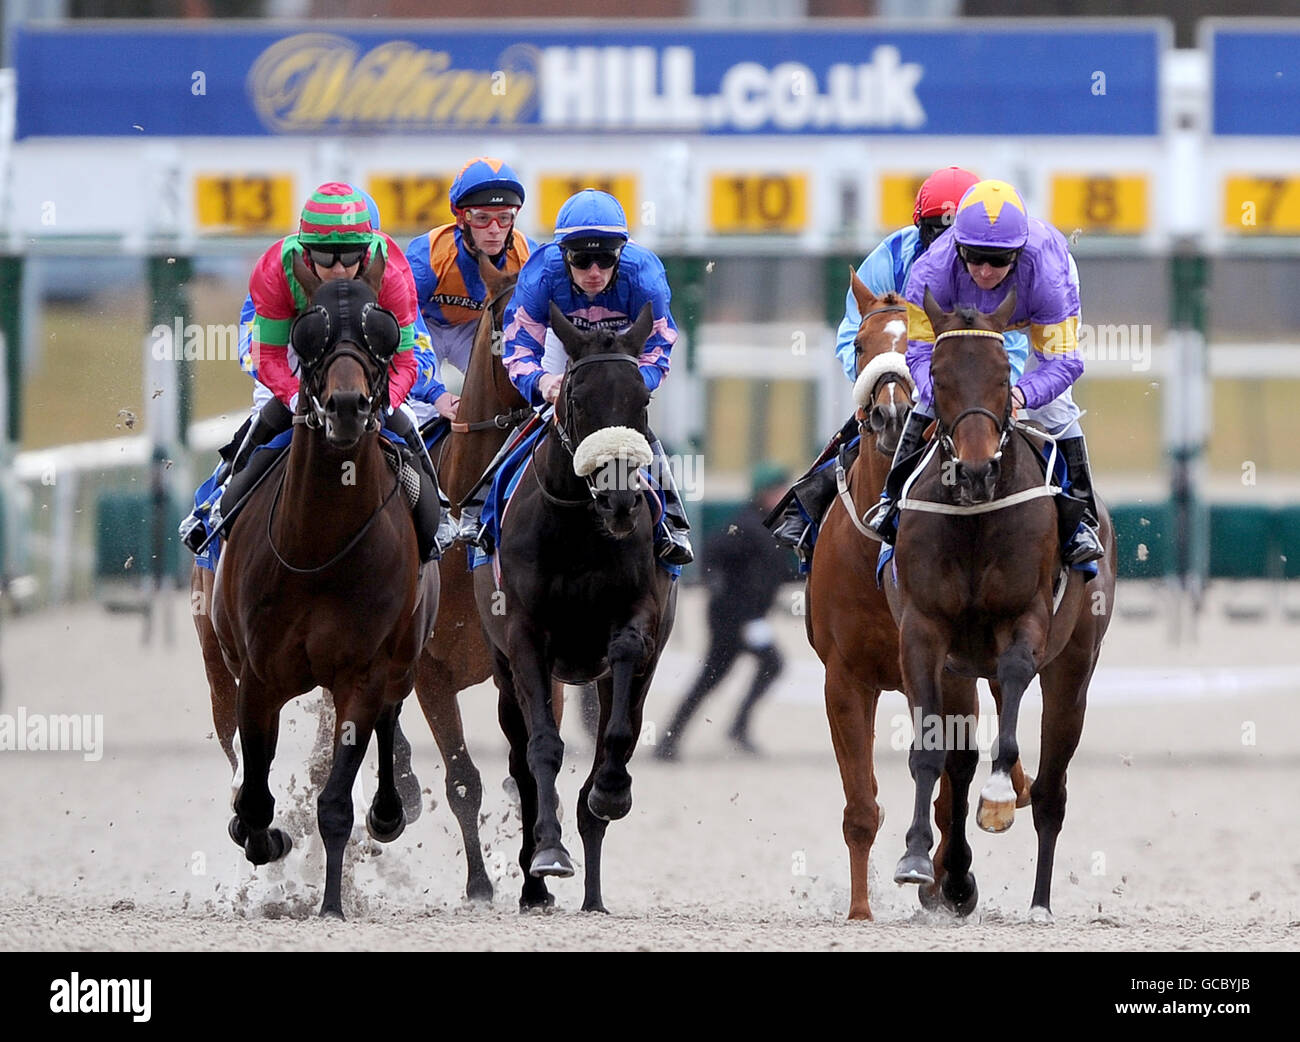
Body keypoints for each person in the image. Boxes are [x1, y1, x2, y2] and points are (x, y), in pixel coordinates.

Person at [179, 182, 456, 563]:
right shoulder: (278, 268)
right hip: (298, 342)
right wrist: (296, 398)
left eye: (351, 256)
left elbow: (408, 360)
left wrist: (385, 401)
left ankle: (437, 514)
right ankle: (215, 503)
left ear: (369, 249)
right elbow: (268, 355)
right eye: (326, 257)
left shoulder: (391, 270)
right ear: (306, 253)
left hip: (361, 346)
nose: (339, 269)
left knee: (402, 417)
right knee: (269, 417)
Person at [767, 167, 1022, 561]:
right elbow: (855, 327)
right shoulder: (890, 255)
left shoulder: (994, 262)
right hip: (903, 382)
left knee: (1036, 440)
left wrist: (1006, 391)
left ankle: (1077, 521)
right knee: (861, 434)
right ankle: (807, 512)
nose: (943, 246)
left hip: (973, 391)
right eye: (935, 233)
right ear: (919, 226)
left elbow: (1015, 342)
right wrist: (874, 383)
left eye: (955, 239)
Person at [868, 178, 1103, 565]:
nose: (985, 270)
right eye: (975, 257)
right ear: (957, 247)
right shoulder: (930, 274)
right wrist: (940, 392)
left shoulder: (1048, 274)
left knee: (1054, 409)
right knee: (932, 401)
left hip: (1030, 311)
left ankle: (1083, 522)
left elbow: (1064, 362)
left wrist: (1021, 395)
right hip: (962, 320)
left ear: (1018, 253)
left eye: (998, 260)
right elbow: (921, 355)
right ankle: (890, 502)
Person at [462, 187, 694, 565]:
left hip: (621, 349)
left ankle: (673, 521)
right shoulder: (541, 275)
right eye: (582, 260)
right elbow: (518, 348)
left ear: (621, 254)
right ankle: (480, 512)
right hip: (563, 339)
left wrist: (633, 387)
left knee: (632, 426)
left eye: (605, 259)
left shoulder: (646, 276)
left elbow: (659, 347)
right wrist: (541, 382)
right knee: (541, 417)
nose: (594, 272)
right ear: (562, 256)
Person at [655, 464, 791, 761]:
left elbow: (775, 572)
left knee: (714, 677)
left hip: (750, 618)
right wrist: (716, 584)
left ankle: (675, 738)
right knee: (759, 666)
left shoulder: (768, 524)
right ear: (765, 493)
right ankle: (721, 730)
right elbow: (712, 553)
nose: (783, 495)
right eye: (779, 490)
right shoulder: (745, 524)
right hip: (733, 618)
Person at [405, 157, 539, 419]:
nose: (494, 230)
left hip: (474, 329)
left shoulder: (527, 256)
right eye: (481, 218)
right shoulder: (427, 257)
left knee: (506, 395)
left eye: (504, 218)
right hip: (425, 327)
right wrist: (435, 393)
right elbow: (407, 326)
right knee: (422, 410)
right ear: (461, 219)